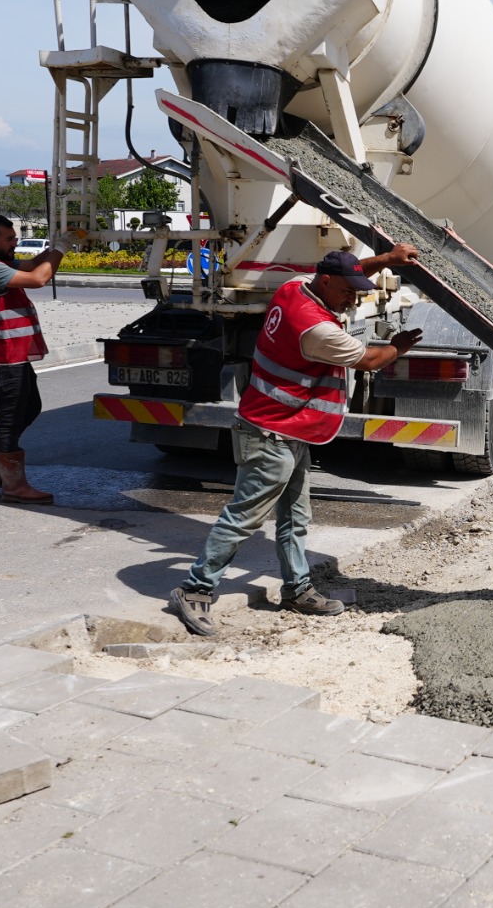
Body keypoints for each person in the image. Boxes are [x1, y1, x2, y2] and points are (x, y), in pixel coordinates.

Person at [170, 248, 423, 637]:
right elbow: (371, 361)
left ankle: (298, 590)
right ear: (325, 282)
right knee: (244, 517)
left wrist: (387, 257)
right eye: (347, 292)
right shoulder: (317, 329)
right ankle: (194, 590)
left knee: (295, 517)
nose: (353, 300)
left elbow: (349, 273)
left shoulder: (293, 288)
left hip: (290, 430)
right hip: (270, 433)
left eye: (356, 291)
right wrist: (399, 346)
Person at [0, 213, 67, 504]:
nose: (15, 243)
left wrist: (58, 246)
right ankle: (13, 485)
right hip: (2, 357)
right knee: (10, 420)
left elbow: (35, 264)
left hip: (13, 354)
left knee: (31, 406)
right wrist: (60, 248)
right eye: (9, 239)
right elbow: (39, 278)